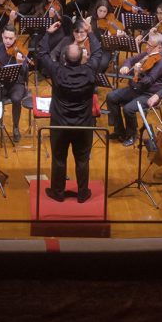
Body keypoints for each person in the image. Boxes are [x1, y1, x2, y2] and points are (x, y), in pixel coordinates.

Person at [34, 19, 110, 202]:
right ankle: (83, 193)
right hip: (83, 125)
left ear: (65, 58)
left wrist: (48, 33)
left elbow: (42, 52)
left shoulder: (57, 71)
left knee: (59, 159)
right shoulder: (90, 70)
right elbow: (98, 53)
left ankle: (58, 192)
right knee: (82, 159)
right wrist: (90, 32)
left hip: (60, 124)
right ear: (82, 57)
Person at [108, 33, 162, 146]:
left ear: (159, 47)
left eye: (150, 46)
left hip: (150, 94)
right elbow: (131, 59)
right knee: (111, 97)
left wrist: (137, 72)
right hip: (137, 89)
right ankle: (120, 131)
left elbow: (149, 80)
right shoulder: (148, 54)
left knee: (128, 109)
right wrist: (126, 66)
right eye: (147, 44)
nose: (147, 47)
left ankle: (132, 135)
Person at [0, 28, 28, 142]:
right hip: (0, 81)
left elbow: (25, 71)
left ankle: (16, 127)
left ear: (15, 38)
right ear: (2, 36)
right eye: (6, 38)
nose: (8, 41)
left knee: (16, 99)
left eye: (11, 38)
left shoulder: (21, 49)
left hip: (16, 83)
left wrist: (19, 63)